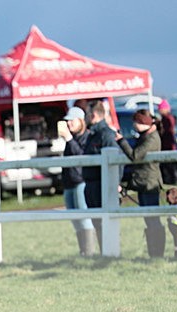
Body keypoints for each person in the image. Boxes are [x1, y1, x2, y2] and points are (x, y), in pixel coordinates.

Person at [116, 109, 165, 258]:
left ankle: (157, 254)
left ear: (144, 123)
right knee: (150, 220)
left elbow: (135, 156)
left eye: (137, 122)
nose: (134, 125)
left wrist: (121, 141)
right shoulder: (147, 136)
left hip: (149, 184)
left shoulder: (151, 139)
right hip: (145, 183)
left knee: (153, 220)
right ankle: (154, 254)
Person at [57, 106, 95, 256]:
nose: (69, 124)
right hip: (69, 183)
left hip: (81, 181)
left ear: (81, 121)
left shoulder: (86, 137)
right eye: (68, 121)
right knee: (74, 218)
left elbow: (81, 156)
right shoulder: (70, 139)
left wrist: (69, 139)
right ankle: (83, 251)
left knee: (84, 217)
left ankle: (89, 251)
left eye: (72, 121)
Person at [82, 100, 118, 250]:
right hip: (91, 184)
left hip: (101, 184)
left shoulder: (107, 135)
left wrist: (115, 183)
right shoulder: (92, 135)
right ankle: (105, 251)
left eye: (87, 115)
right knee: (97, 221)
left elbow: (116, 162)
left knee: (106, 221)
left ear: (94, 115)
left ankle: (110, 250)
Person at [157, 99, 177, 185]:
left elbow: (167, 132)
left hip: (168, 145)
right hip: (167, 144)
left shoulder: (168, 119)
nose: (159, 110)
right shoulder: (166, 119)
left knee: (170, 165)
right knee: (168, 165)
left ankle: (176, 179)